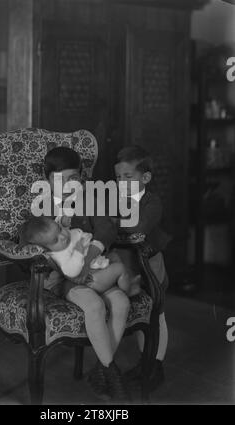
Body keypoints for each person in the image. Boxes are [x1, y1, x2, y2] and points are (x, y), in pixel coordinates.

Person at [30, 146, 130, 402]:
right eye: (61, 179)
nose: (68, 184)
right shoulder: (42, 206)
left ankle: (102, 368)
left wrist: (88, 259)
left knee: (121, 302)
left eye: (74, 178)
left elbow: (106, 229)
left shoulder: (89, 198)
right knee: (95, 306)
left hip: (95, 268)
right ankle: (113, 376)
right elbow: (35, 246)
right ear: (49, 179)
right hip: (66, 278)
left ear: (81, 176)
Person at [114, 145, 172, 391]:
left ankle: (155, 365)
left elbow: (139, 226)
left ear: (145, 178)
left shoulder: (152, 202)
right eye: (118, 177)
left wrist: (115, 223)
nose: (121, 182)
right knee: (139, 314)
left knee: (156, 314)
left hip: (150, 264)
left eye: (128, 177)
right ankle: (143, 361)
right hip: (128, 262)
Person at [19, 216, 140, 296]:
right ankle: (128, 290)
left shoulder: (64, 240)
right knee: (120, 268)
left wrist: (63, 222)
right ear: (46, 248)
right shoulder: (60, 256)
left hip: (97, 266)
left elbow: (70, 229)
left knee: (114, 256)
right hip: (92, 278)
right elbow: (71, 271)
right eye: (55, 240)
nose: (63, 236)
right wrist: (78, 252)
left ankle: (125, 281)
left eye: (60, 229)